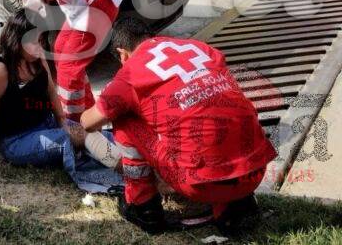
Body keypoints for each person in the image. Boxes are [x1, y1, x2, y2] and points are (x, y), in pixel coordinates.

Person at [81, 17, 277, 235]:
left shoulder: (130, 73)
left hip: (201, 184)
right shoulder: (200, 48)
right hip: (254, 171)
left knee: (123, 116)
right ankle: (236, 206)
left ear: (122, 53)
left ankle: (143, 206)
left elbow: (89, 122)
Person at [0, 11, 123, 194]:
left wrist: (63, 123)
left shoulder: (37, 58)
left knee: (97, 133)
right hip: (17, 140)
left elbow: (51, 91)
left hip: (47, 123)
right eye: (33, 41)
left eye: (41, 40)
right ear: (16, 40)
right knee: (78, 138)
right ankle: (131, 173)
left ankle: (136, 162)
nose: (39, 46)